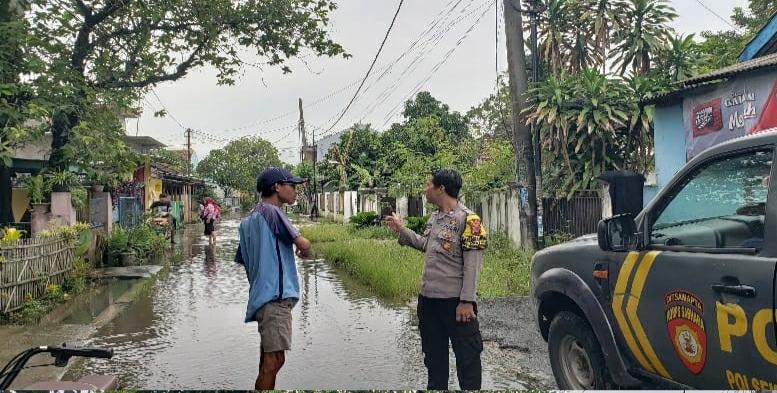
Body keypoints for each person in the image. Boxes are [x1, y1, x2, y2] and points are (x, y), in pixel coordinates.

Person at [385, 169, 487, 390]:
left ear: (441, 188)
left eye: (428, 184)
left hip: (456, 304)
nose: (425, 189)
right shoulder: (435, 218)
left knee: (468, 361)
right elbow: (426, 245)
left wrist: (467, 301)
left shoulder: (469, 220)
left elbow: (472, 265)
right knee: (434, 361)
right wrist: (401, 229)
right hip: (429, 302)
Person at [234, 167, 312, 390]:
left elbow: (244, 259)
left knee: (267, 359)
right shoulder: (272, 212)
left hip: (261, 297)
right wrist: (306, 250)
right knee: (274, 360)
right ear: (277, 187)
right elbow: (302, 243)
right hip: (276, 297)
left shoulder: (249, 219)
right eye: (292, 186)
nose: (295, 191)